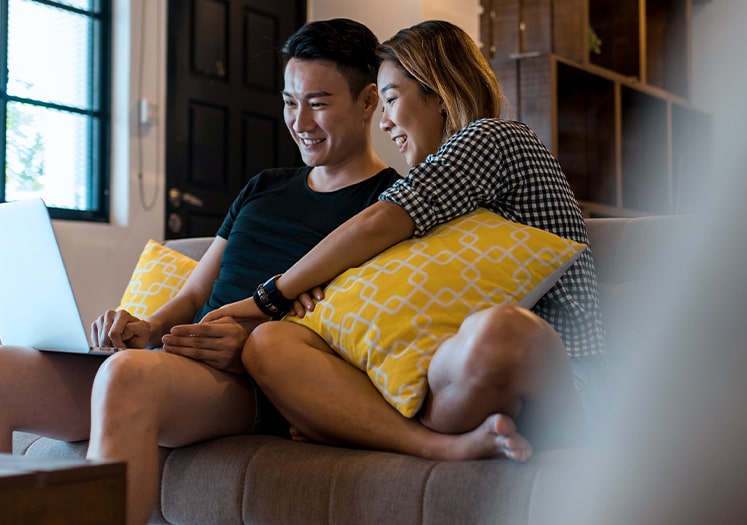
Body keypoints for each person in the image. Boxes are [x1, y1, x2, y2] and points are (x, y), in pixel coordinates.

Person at [0, 18, 399, 525]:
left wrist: (248, 348)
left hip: (252, 385)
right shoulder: (264, 187)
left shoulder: (388, 206)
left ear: (367, 102)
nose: (300, 121)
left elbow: (355, 326)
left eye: (318, 103)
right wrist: (144, 327)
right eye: (290, 103)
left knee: (128, 376)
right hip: (175, 364)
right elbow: (193, 293)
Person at [204, 20, 607, 462]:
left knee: (501, 329)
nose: (386, 121)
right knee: (271, 344)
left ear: (439, 93)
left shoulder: (497, 137)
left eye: (391, 99)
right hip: (442, 376)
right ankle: (436, 446)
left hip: (560, 376)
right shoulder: (438, 195)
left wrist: (271, 297)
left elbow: (378, 222)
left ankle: (361, 428)